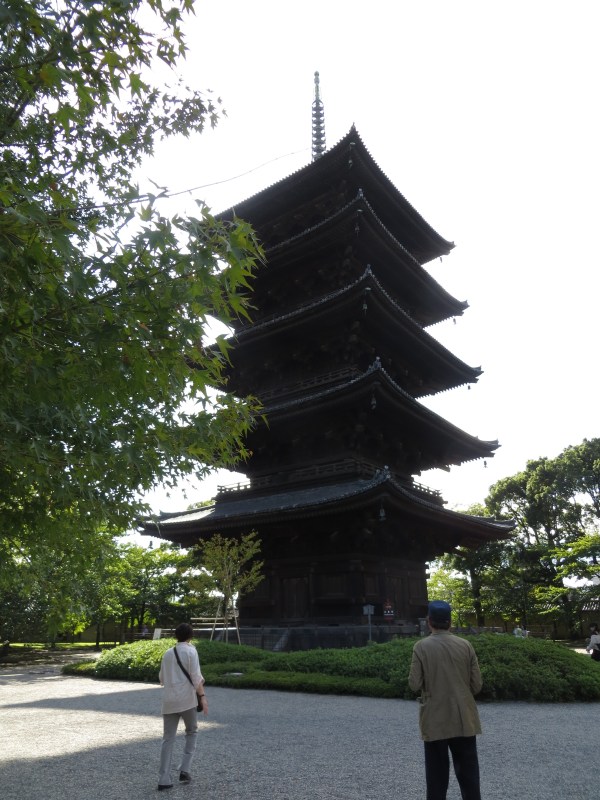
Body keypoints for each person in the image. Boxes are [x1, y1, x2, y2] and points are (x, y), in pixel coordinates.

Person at [409, 600, 483, 800]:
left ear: (429, 621)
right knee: (469, 775)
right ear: (450, 622)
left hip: (434, 718)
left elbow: (414, 684)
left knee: (436, 777)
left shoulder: (421, 647)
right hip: (463, 717)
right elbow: (477, 685)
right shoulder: (465, 645)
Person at [158, 622, 208, 791]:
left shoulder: (167, 653)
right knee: (192, 732)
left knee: (168, 739)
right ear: (191, 636)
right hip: (187, 700)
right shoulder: (191, 651)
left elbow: (162, 679)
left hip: (169, 700)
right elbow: (196, 677)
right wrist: (202, 697)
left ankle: (163, 779)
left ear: (176, 636)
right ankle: (185, 769)